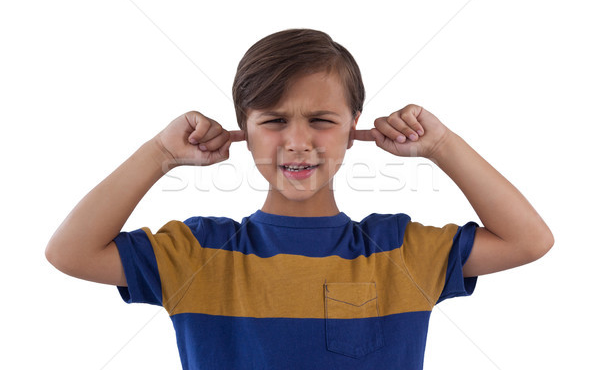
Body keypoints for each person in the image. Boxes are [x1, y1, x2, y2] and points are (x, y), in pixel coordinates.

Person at [45, 28, 554, 369]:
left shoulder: (399, 249)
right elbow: (70, 253)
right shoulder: (198, 252)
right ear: (242, 129)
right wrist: (159, 153)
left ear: (353, 129)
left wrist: (442, 144)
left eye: (320, 120)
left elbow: (529, 240)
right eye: (273, 120)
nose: (297, 140)